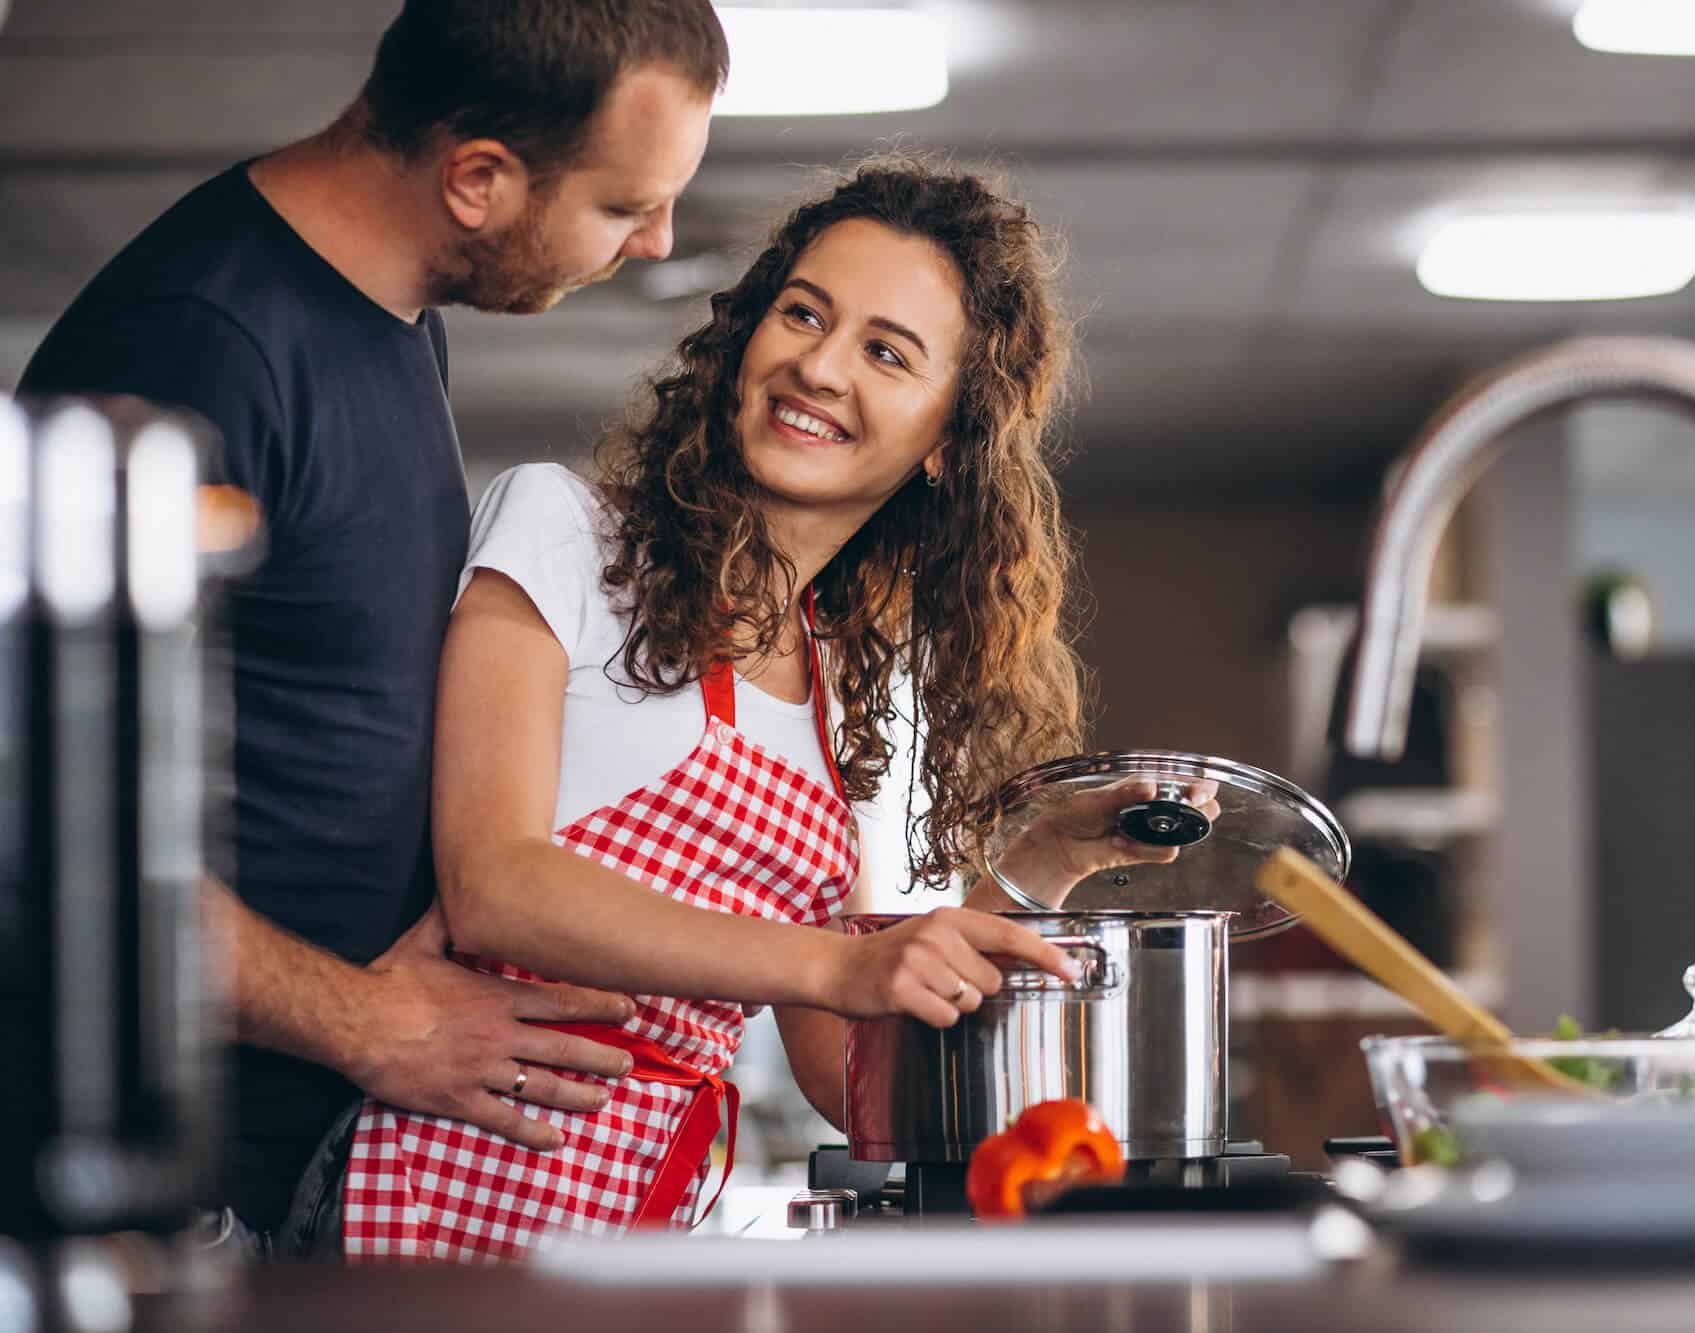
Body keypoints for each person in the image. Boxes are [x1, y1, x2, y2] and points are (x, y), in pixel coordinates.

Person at [337, 156, 1204, 1262]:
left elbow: (850, 1083)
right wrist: (837, 962)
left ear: (949, 441)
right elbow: (496, 885)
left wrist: (1035, 866)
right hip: (450, 1184)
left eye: (885, 352)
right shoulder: (564, 535)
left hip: (644, 1221)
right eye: (802, 313)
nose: (817, 365)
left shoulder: (837, 681)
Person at [14, 0, 728, 1250]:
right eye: (624, 207)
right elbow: (48, 832)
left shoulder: (397, 323)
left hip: (294, 1164)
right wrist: (371, 1024)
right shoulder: (196, 345)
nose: (656, 243)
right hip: (164, 1193)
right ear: (478, 180)